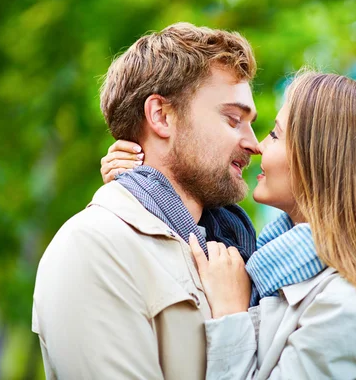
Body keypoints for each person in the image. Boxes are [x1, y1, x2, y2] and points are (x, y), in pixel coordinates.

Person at [104, 71, 356, 379]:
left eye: (275, 135)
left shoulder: (344, 308)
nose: (258, 145)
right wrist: (141, 187)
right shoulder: (279, 268)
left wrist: (230, 317)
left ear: (320, 161)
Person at [32, 22, 259, 379]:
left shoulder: (234, 255)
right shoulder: (95, 248)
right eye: (233, 119)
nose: (254, 143)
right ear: (161, 116)